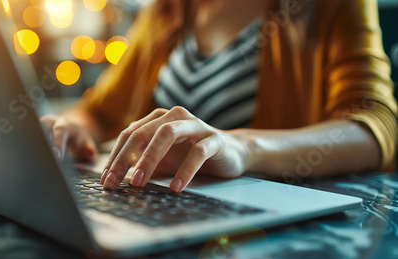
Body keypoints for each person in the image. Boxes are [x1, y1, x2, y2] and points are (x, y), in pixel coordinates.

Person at [40, 0, 397, 193]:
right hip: (159, 203)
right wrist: (71, 126)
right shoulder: (168, 9)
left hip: (266, 239)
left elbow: (375, 125)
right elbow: (100, 112)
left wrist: (240, 147)